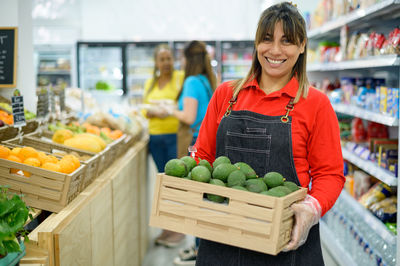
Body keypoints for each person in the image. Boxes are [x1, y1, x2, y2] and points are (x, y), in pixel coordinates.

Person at [192, 2, 345, 265]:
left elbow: (329, 174)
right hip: (222, 237)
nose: (275, 51)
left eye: (287, 41)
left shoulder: (315, 104)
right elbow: (202, 156)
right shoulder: (226, 95)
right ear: (256, 43)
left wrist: (310, 210)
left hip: (286, 242)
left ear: (302, 45)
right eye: (266, 39)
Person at [171, 40, 216, 265]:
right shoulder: (208, 80)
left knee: (195, 198)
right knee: (205, 197)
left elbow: (189, 117)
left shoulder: (190, 81)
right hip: (208, 142)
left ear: (188, 59)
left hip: (195, 143)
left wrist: (169, 110)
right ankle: (203, 247)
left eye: (181, 57)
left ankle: (199, 250)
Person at [143, 44, 185, 247]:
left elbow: (185, 105)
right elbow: (145, 108)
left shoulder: (181, 78)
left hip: (174, 136)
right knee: (162, 184)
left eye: (169, 58)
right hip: (155, 138)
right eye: (162, 59)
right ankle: (167, 228)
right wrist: (153, 112)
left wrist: (168, 110)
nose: (166, 62)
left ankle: (178, 231)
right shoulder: (150, 83)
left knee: (174, 184)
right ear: (156, 62)